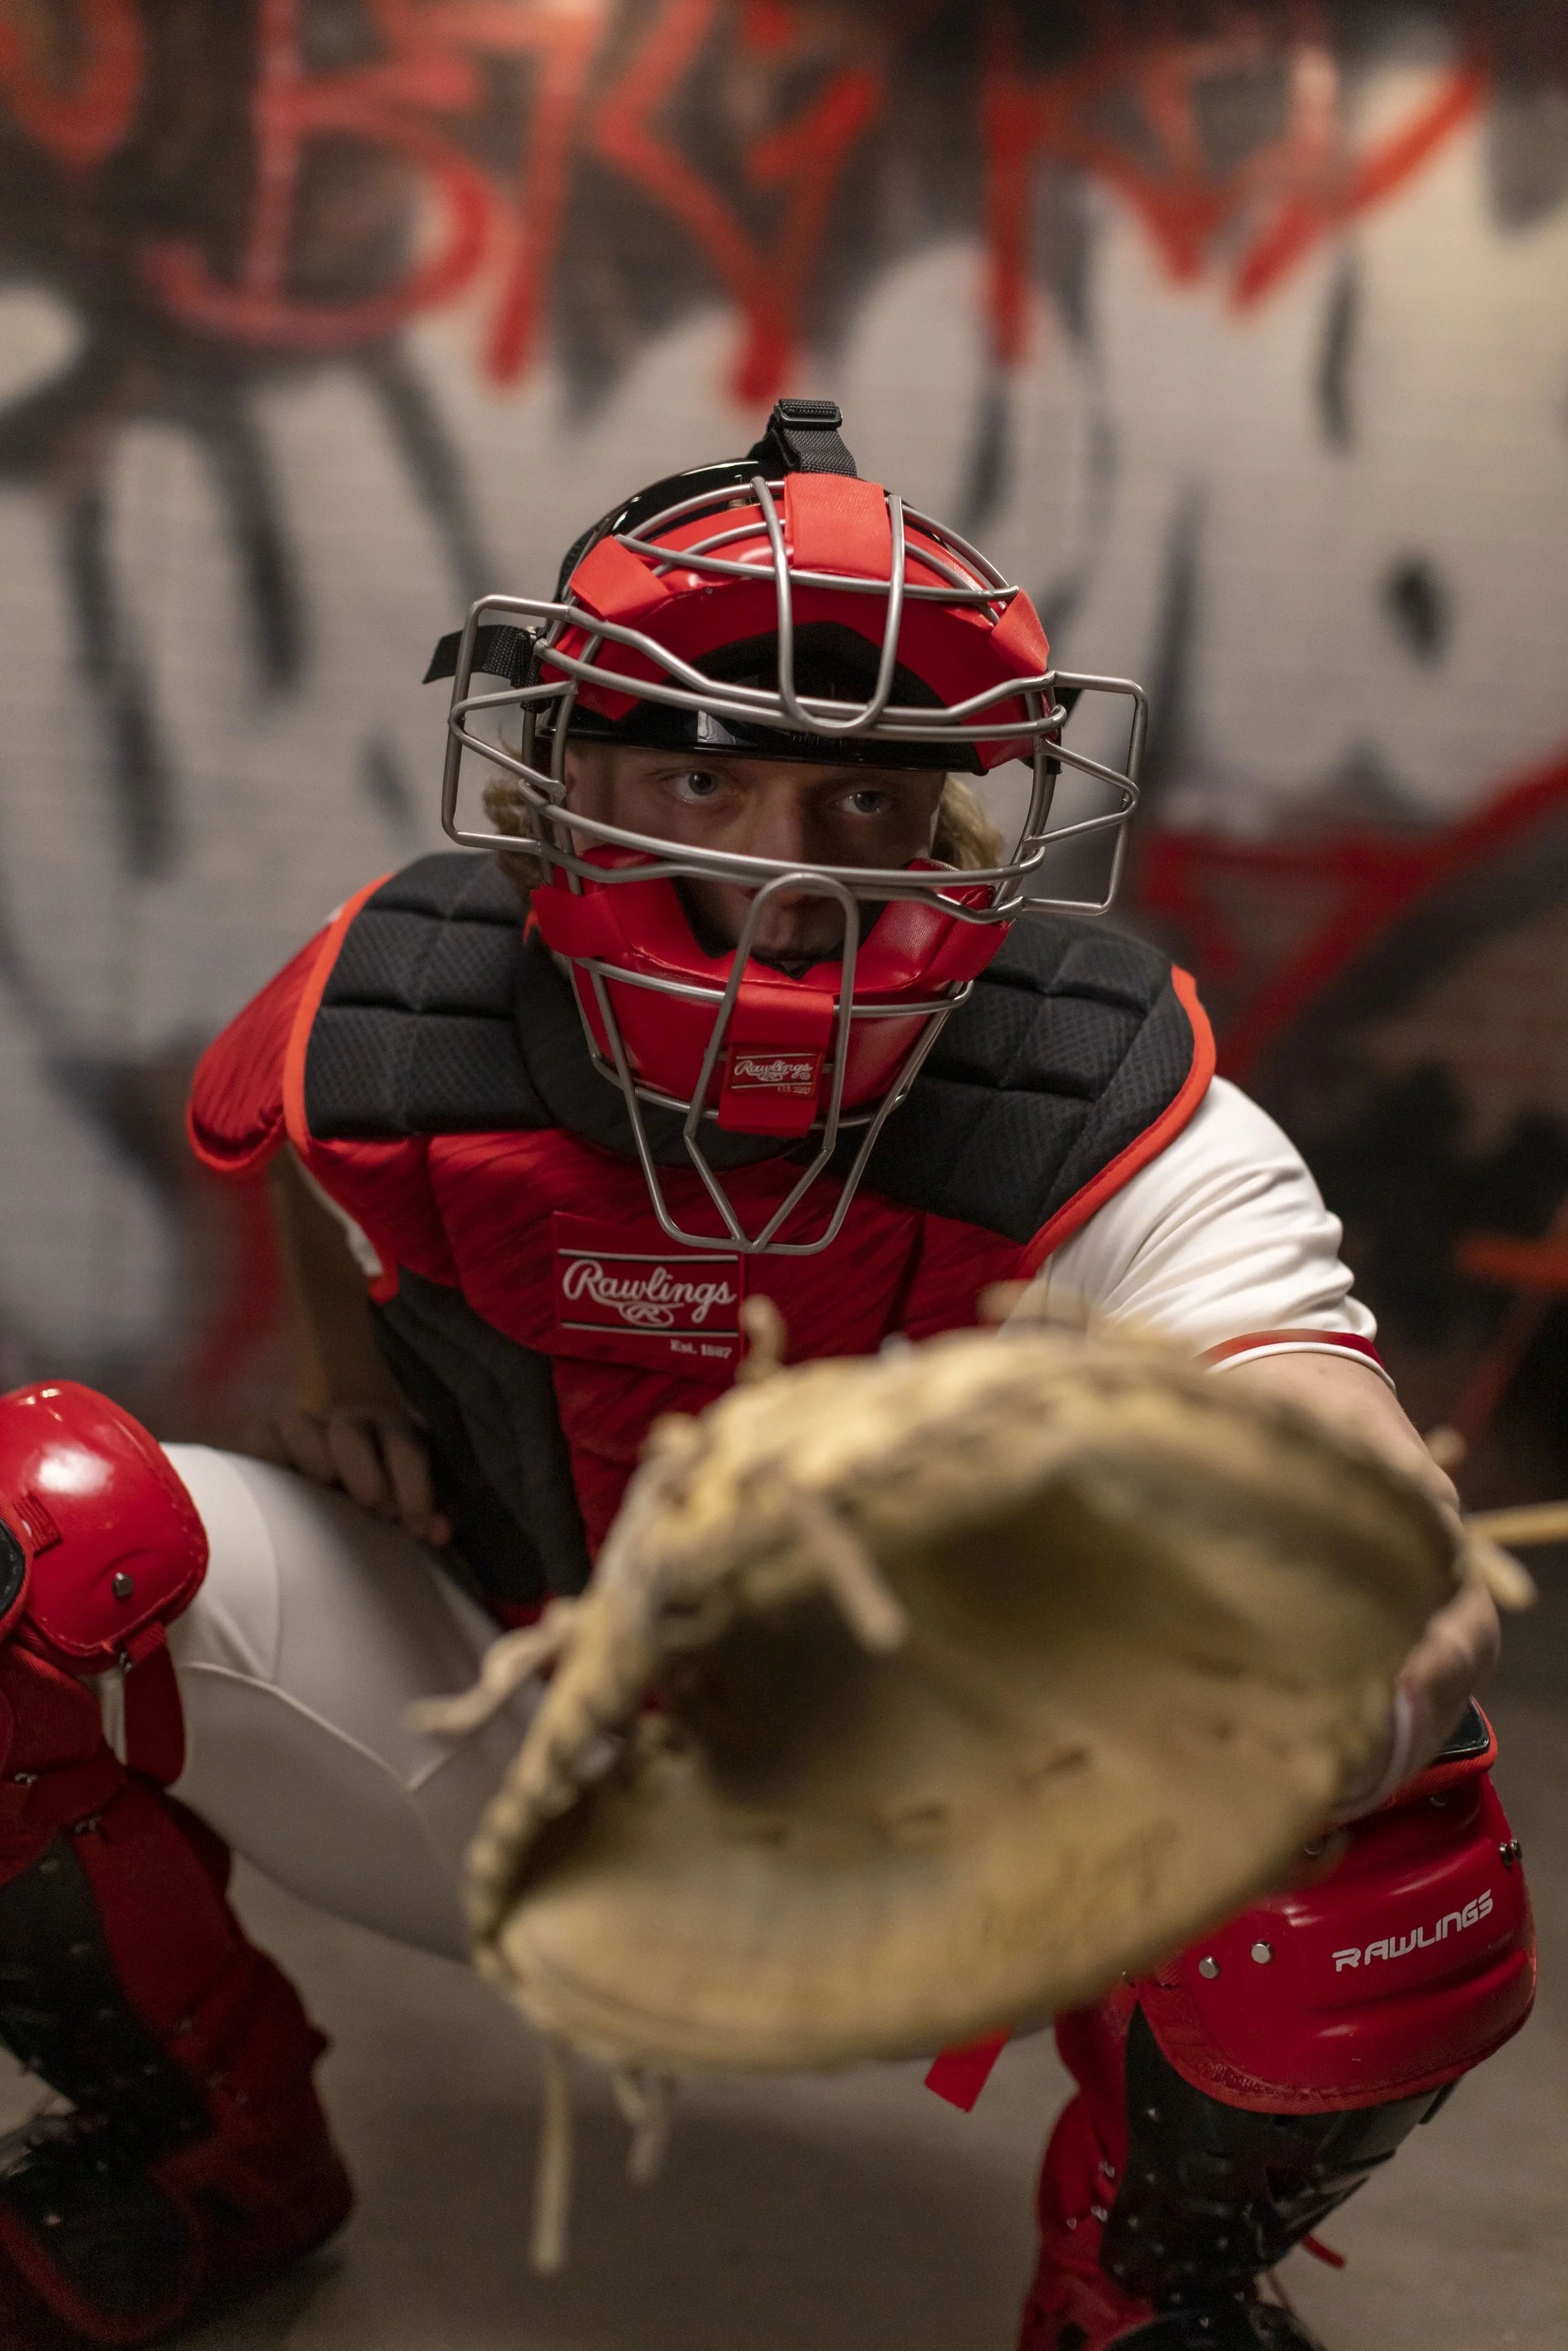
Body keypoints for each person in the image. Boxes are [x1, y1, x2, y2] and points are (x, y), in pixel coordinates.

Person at [0, 401, 1531, 2348]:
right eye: (705, 778)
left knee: (1394, 1808)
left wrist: (1347, 1630)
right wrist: (338, 1368)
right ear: (567, 781)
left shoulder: (1100, 1105)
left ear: (957, 815)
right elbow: (307, 1152)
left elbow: (1334, 1435)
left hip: (947, 1818)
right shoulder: (397, 1014)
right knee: (24, 1538)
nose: (793, 877)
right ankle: (195, 2154)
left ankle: (1142, 2298)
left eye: (866, 799)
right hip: (518, 1723)